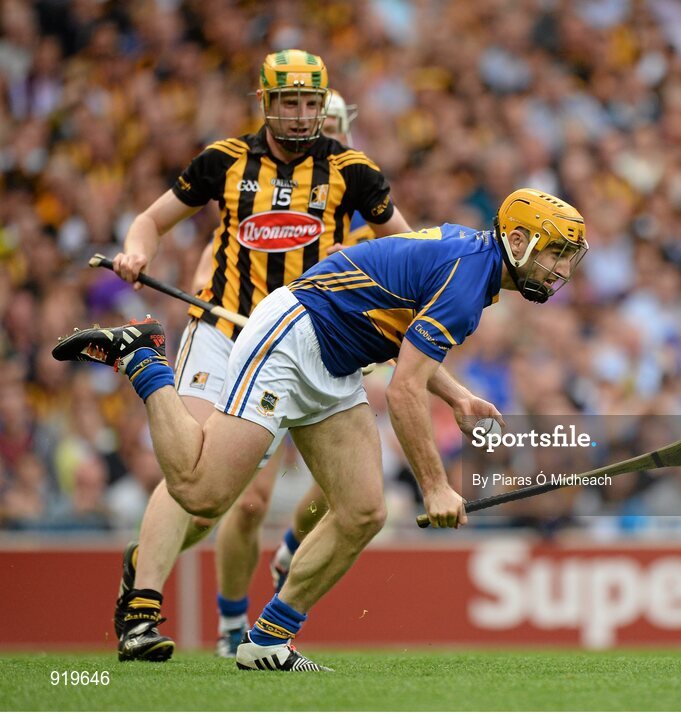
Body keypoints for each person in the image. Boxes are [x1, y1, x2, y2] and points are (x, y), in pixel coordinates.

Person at [54, 188, 588, 671]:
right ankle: (144, 359)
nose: (558, 268)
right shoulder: (471, 280)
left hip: (336, 363)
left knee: (363, 511)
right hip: (296, 336)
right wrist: (435, 486)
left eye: (565, 257)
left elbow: (407, 345)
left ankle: (268, 641)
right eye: (554, 252)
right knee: (200, 492)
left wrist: (457, 394)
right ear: (516, 240)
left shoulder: (475, 263)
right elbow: (401, 392)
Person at [102, 49, 411, 663]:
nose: (301, 116)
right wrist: (136, 252)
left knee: (259, 501)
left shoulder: (354, 172)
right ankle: (143, 609)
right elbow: (151, 220)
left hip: (304, 344)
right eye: (288, 103)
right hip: (224, 330)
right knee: (199, 480)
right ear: (266, 103)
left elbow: (406, 252)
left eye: (310, 104)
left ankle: (278, 564)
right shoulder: (225, 161)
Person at [203, 87, 382, 658]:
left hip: (329, 360)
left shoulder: (355, 201)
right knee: (250, 500)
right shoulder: (259, 195)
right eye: (309, 117)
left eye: (328, 121)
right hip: (264, 350)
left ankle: (290, 547)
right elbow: (213, 261)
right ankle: (233, 623)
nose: (317, 129)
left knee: (350, 489)